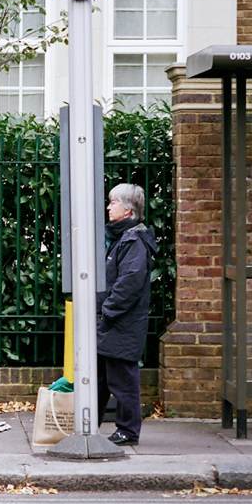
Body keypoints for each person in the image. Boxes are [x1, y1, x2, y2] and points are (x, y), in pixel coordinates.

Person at [96, 183, 158, 446]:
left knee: (122, 378)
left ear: (128, 210)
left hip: (121, 323)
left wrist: (107, 310)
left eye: (113, 203)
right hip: (114, 322)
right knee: (100, 376)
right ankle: (87, 425)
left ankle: (128, 430)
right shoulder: (124, 238)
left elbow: (129, 282)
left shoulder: (133, 240)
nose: (109, 207)